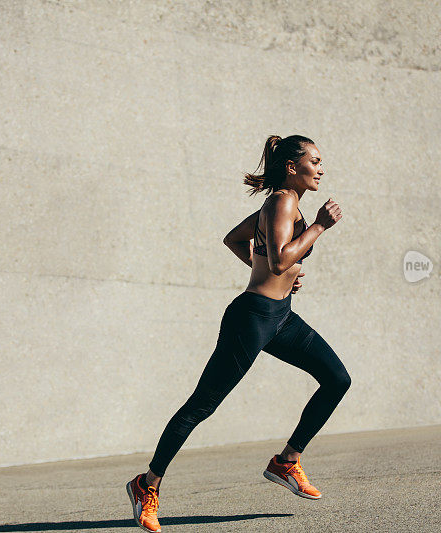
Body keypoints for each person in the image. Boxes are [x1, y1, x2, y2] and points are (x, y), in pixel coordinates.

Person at [126, 134, 351, 532]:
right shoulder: (283, 201)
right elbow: (281, 258)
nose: (321, 168)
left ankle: (287, 461)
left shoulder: (286, 203)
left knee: (336, 379)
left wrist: (268, 270)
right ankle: (147, 485)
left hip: (280, 316)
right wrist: (318, 227)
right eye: (314, 161)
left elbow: (238, 241)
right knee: (201, 406)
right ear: (292, 166)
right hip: (252, 319)